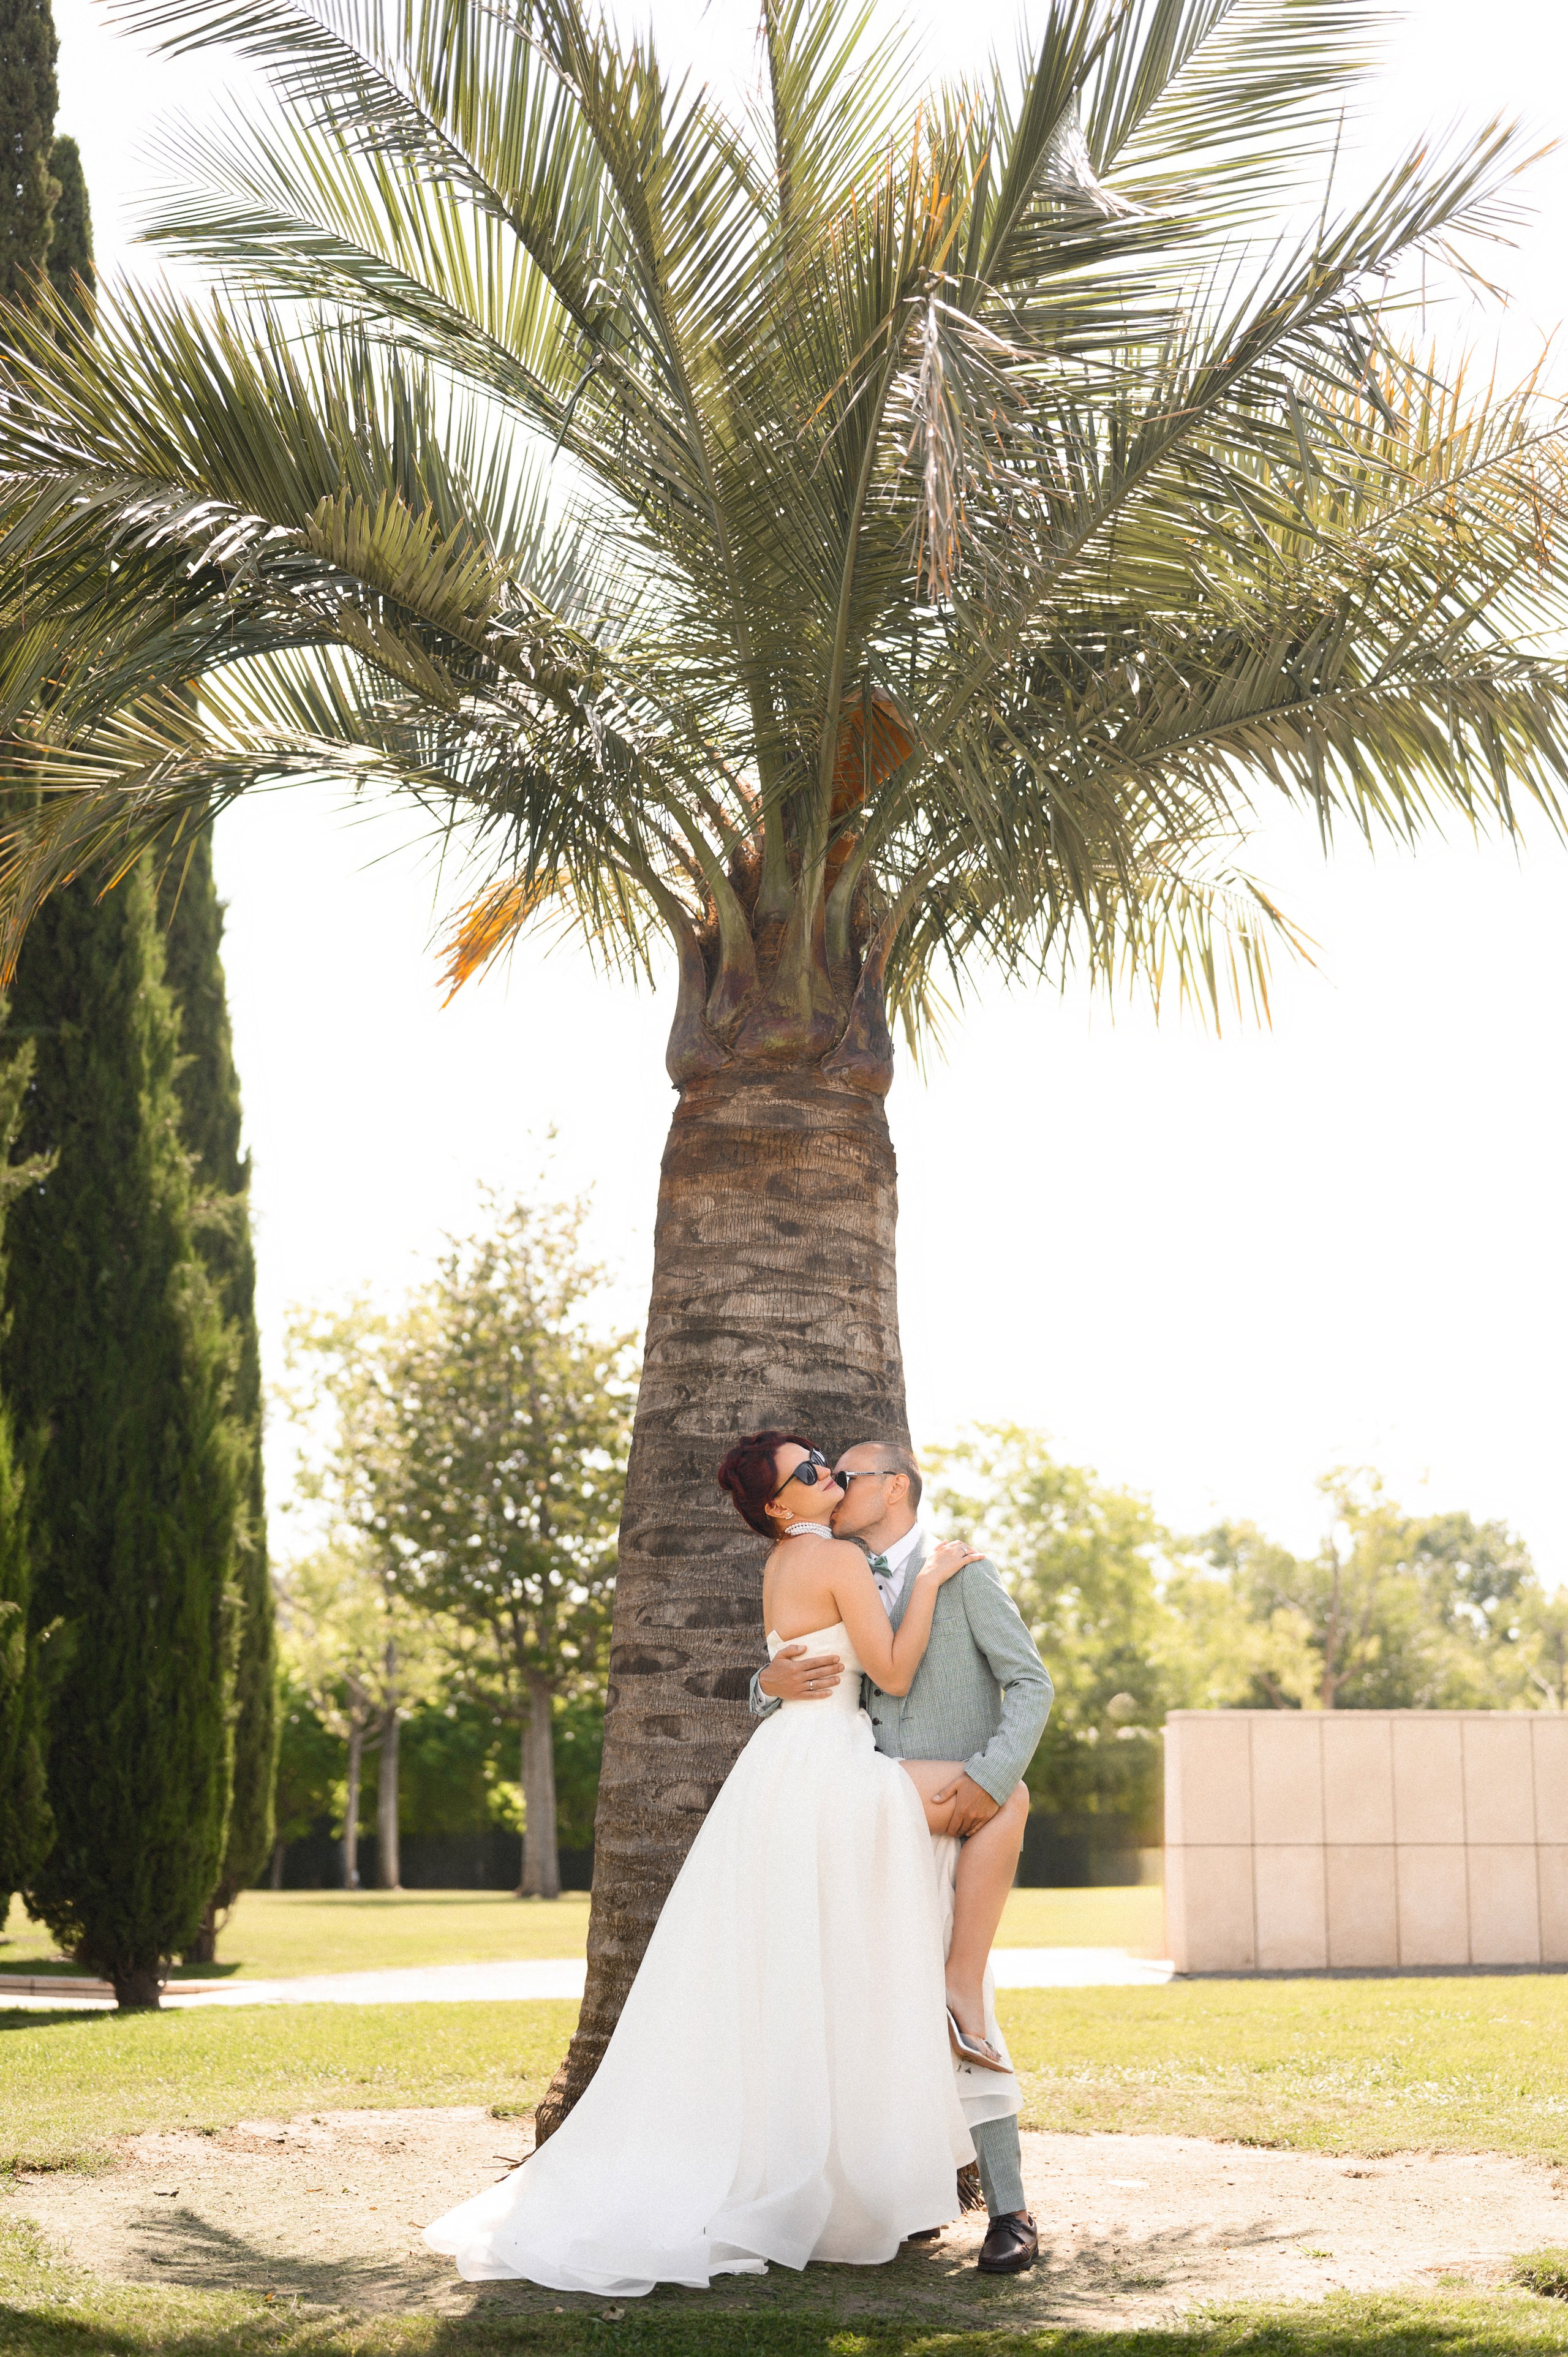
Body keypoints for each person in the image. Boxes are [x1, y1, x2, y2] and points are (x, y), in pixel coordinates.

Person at [422, 1430, 987, 2297]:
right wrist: (939, 1581)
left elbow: (804, 1667)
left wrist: (772, 1683)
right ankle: (949, 2016)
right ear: (777, 1506)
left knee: (793, 1967)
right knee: (890, 1906)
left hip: (784, 1768)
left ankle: (826, 2164)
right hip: (826, 1768)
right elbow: (896, 1673)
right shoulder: (831, 1557)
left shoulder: (790, 1564)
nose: (826, 1474)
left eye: (825, 1463)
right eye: (807, 1472)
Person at [753, 1439, 1053, 2277]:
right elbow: (809, 1673)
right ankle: (889, 2200)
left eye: (849, 1474)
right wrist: (763, 1684)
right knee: (863, 2013)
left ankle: (1011, 2211)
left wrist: (991, 1782)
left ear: (893, 1487)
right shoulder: (825, 1561)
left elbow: (1032, 1684)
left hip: (947, 1817)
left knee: (968, 2004)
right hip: (858, 1818)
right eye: (824, 1475)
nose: (838, 1485)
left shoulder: (965, 1575)